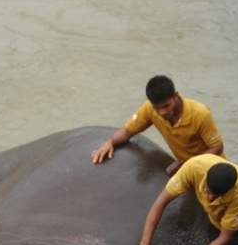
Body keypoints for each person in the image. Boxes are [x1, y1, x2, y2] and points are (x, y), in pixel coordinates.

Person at [92, 75, 225, 176]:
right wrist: (110, 142)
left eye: (166, 106)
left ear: (176, 96)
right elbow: (128, 131)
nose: (162, 112)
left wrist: (191, 166)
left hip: (211, 168)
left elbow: (217, 146)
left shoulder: (200, 114)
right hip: (184, 168)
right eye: (157, 108)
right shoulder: (149, 109)